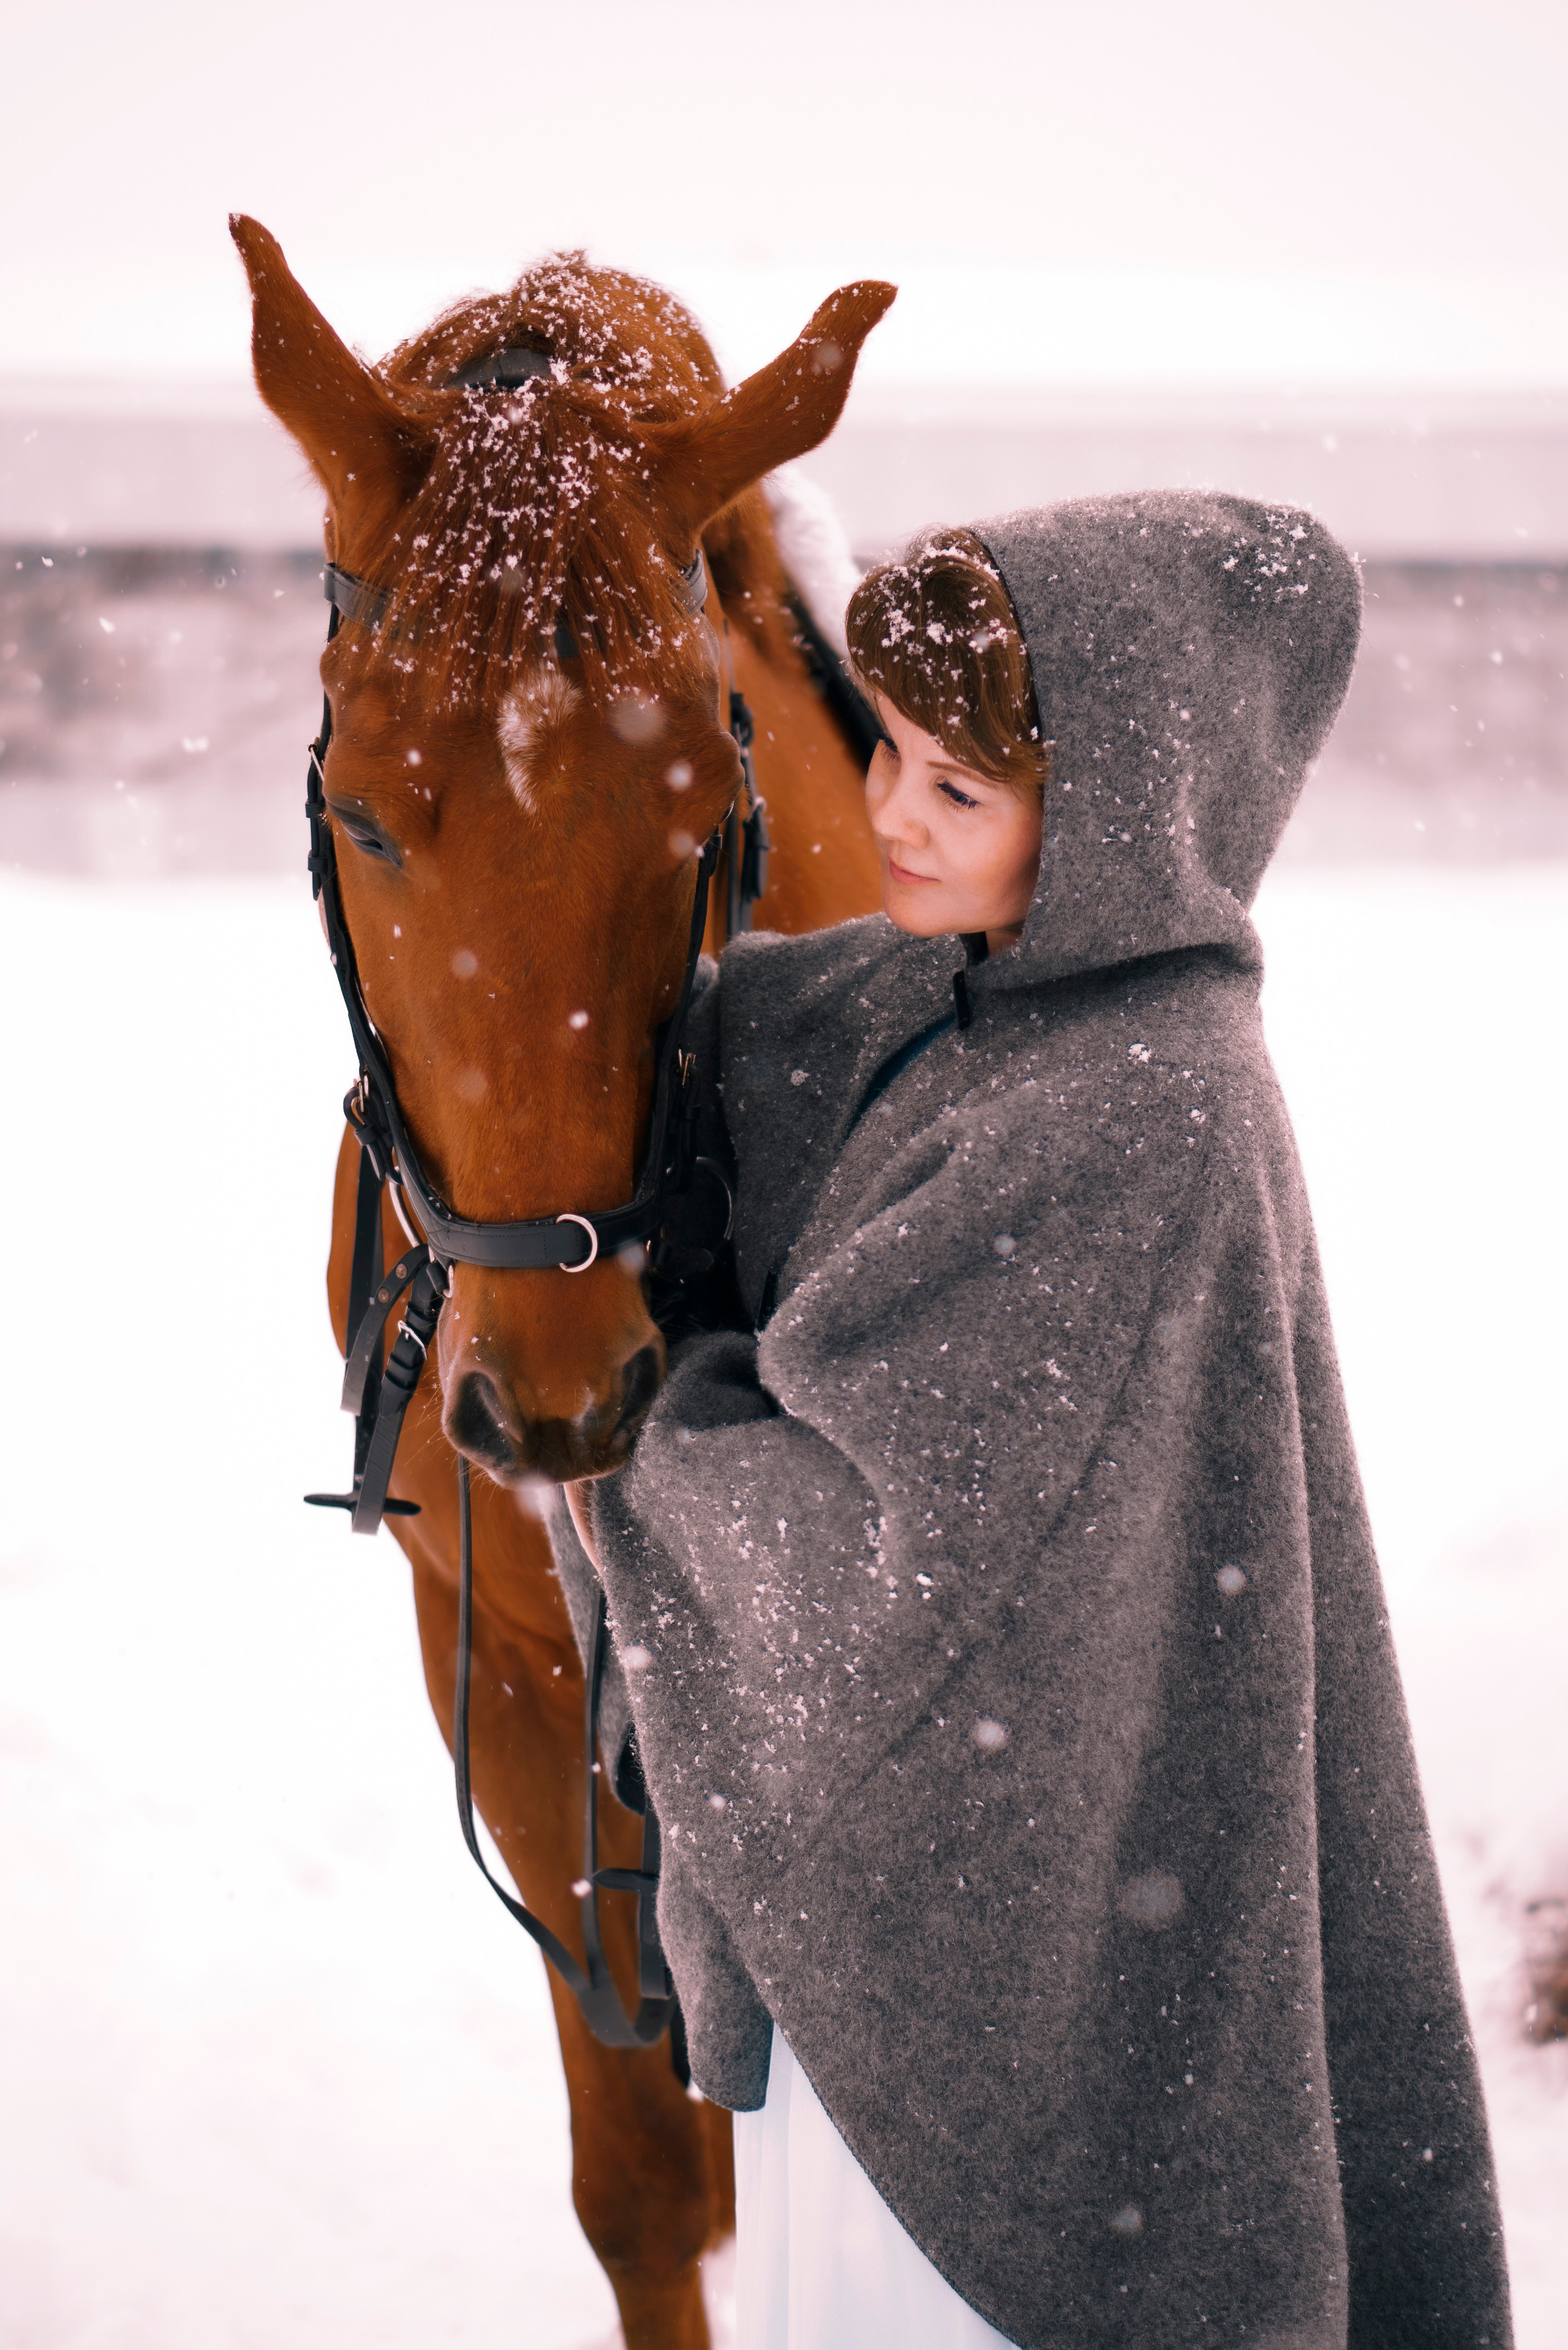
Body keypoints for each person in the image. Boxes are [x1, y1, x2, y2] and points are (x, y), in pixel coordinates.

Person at [564, 492, 1511, 2348]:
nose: (892, 819)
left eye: (958, 792)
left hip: (1006, 1941)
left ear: (1123, 825)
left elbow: (885, 1547)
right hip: (966, 1904)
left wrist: (630, 1457)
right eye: (891, 754)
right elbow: (768, 1032)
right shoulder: (998, 1004)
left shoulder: (1142, 1099)